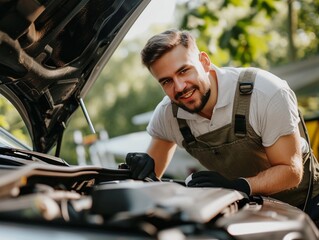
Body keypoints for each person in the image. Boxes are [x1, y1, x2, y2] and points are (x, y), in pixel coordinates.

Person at [125, 29, 319, 225]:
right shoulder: (168, 115)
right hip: (253, 215)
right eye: (166, 81)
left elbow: (291, 172)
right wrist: (140, 171)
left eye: (184, 71)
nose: (180, 87)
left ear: (204, 61)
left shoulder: (265, 92)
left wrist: (239, 185)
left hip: (307, 205)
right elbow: (150, 178)